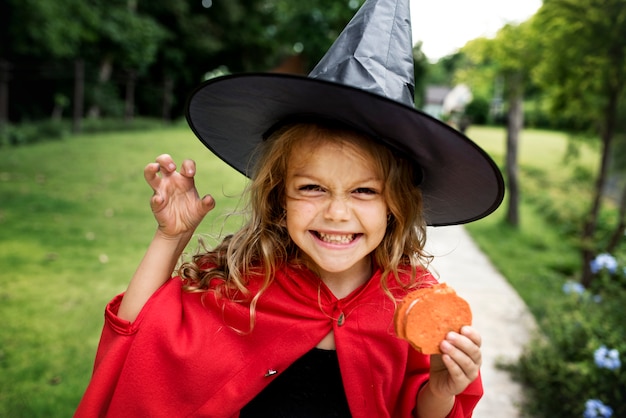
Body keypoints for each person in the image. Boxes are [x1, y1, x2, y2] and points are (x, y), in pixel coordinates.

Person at [75, 0, 504, 416]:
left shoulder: (411, 299)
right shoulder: (245, 284)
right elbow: (138, 342)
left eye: (364, 192)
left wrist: (442, 391)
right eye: (313, 188)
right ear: (280, 197)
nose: (337, 213)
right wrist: (171, 238)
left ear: (397, 204)